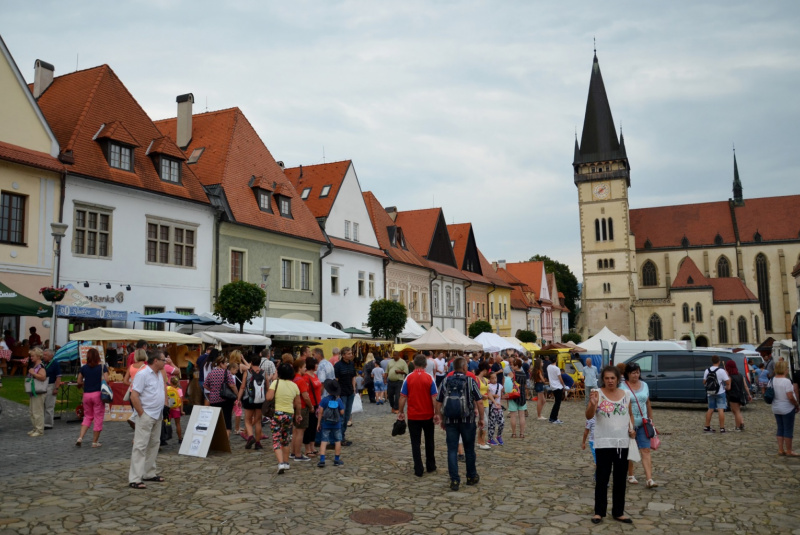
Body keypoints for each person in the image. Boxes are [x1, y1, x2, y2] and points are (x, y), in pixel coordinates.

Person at [587, 366, 635, 524]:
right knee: (602, 479)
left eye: (612, 378)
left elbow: (630, 414)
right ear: (603, 379)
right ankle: (599, 512)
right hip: (603, 442)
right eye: (607, 378)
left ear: (618, 378)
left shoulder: (626, 394)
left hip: (622, 442)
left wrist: (632, 429)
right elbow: (588, 416)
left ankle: (618, 512)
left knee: (620, 479)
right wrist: (593, 404)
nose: (609, 381)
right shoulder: (597, 393)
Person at [435, 356, 483, 491]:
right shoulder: (470, 381)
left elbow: (439, 401)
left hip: (450, 421)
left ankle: (455, 480)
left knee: (452, 450)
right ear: (465, 368)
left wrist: (438, 416)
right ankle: (471, 477)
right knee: (469, 449)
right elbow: (479, 401)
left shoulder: (445, 381)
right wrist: (481, 418)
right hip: (467, 420)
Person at [128, 350, 167, 489]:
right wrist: (142, 413)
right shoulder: (143, 374)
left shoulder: (159, 374)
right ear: (155, 360)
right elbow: (134, 396)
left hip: (157, 414)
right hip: (147, 414)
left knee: (154, 444)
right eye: (163, 360)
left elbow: (161, 391)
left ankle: (149, 472)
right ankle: (135, 478)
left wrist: (164, 406)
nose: (165, 362)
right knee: (140, 446)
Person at [397, 354, 439, 477]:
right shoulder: (430, 378)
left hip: (413, 415)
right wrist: (436, 413)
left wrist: (400, 412)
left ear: (414, 364)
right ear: (426, 365)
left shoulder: (408, 378)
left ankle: (418, 468)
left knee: (415, 442)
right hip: (428, 415)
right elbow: (434, 397)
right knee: (429, 441)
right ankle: (430, 465)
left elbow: (402, 397)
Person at [621, 362, 657, 488]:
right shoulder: (622, 386)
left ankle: (649, 479)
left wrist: (651, 420)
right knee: (630, 449)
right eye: (633, 372)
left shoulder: (645, 385)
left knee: (646, 450)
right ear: (627, 374)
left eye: (637, 372)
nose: (636, 375)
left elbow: (648, 403)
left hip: (643, 423)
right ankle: (630, 474)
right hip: (628, 424)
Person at [267, 362, 301, 474]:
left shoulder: (275, 383)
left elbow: (269, 397)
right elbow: (298, 403)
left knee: (276, 439)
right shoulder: (294, 385)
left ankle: (280, 463)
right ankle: (286, 462)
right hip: (289, 414)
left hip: (277, 413)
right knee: (285, 439)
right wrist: (298, 415)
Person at [76, 348, 109, 447]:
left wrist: (85, 383)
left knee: (87, 417)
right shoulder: (102, 367)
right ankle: (95, 442)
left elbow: (78, 381)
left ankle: (80, 437)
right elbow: (106, 380)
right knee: (98, 418)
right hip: (98, 394)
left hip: (86, 395)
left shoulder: (84, 368)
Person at [204, 355, 238, 437]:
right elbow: (232, 385)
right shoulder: (226, 373)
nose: (227, 364)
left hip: (213, 399)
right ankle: (226, 439)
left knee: (216, 421)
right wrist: (236, 395)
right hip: (225, 399)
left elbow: (205, 385)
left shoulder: (211, 373)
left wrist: (212, 390)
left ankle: (216, 439)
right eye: (225, 363)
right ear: (221, 364)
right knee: (227, 420)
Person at [772, 360, 800, 456]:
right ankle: (789, 450)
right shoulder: (786, 381)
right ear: (784, 369)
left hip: (776, 407)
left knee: (780, 428)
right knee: (788, 429)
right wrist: (796, 405)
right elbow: (790, 396)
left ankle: (780, 449)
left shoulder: (773, 380)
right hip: (787, 407)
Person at [239, 352, 265, 450]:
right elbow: (267, 385)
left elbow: (242, 387)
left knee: (248, 420)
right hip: (260, 400)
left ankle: (250, 436)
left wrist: (238, 399)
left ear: (251, 362)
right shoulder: (263, 372)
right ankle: (258, 443)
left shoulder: (247, 372)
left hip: (248, 399)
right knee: (258, 421)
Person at [316, 379, 344, 468]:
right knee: (337, 440)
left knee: (324, 441)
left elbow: (320, 412)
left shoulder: (324, 400)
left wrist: (319, 423)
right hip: (336, 424)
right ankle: (336, 459)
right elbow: (342, 412)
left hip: (326, 423)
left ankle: (322, 460)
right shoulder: (338, 400)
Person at [290, 358, 313, 462]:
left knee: (295, 431)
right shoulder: (301, 380)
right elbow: (306, 396)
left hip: (294, 407)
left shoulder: (293, 378)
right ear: (299, 368)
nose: (306, 369)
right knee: (300, 432)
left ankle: (293, 452)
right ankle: (298, 454)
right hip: (302, 407)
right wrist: (311, 406)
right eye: (304, 367)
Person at [334, 347, 357, 446]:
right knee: (341, 416)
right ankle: (339, 438)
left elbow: (353, 377)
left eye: (351, 353)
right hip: (342, 392)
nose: (350, 355)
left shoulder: (351, 364)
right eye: (348, 353)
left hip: (350, 392)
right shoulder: (338, 366)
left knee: (347, 415)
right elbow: (336, 380)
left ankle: (342, 435)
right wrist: (337, 393)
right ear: (343, 355)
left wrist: (354, 388)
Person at [703, 355, 731, 433]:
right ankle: (722, 428)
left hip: (710, 392)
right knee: (720, 410)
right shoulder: (721, 371)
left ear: (712, 361)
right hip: (720, 392)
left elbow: (704, 382)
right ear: (719, 362)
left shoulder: (707, 370)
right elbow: (728, 382)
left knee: (710, 409)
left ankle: (707, 426)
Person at [303, 357, 322, 457]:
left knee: (314, 426)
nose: (317, 366)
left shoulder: (314, 375)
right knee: (309, 427)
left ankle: (312, 447)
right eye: (316, 364)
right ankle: (307, 449)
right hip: (310, 404)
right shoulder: (306, 377)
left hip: (317, 403)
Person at [725, 360, 752, 432]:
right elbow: (745, 386)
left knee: (736, 411)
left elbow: (729, 387)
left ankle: (737, 427)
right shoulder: (740, 375)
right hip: (740, 395)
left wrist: (724, 387)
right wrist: (749, 394)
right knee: (737, 411)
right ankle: (741, 423)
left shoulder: (730, 377)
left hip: (733, 395)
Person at [26, 347, 47, 437]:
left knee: (37, 411)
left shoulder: (40, 366)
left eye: (32, 356)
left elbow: (43, 377)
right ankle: (35, 428)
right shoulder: (35, 366)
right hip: (34, 391)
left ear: (38, 356)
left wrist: (33, 373)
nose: (31, 357)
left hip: (39, 392)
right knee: (32, 411)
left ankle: (39, 429)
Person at [508, 358, 528, 438]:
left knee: (513, 416)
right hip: (522, 396)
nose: (512, 366)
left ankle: (513, 433)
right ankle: (522, 434)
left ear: (516, 366)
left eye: (513, 365)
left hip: (513, 395)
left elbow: (508, 384)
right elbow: (525, 385)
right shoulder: (524, 374)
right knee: (522, 416)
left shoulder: (512, 374)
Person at [42, 348, 61, 429]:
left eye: (45, 355)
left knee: (49, 405)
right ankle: (42, 422)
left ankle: (48, 424)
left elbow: (58, 377)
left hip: (51, 385)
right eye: (43, 354)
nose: (44, 356)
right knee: (42, 405)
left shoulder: (55, 363)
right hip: (43, 385)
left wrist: (56, 388)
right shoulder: (43, 363)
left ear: (51, 355)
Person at [476, 361, 491, 450]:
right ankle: (482, 441)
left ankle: (479, 440)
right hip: (479, 403)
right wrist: (482, 396)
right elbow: (475, 391)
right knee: (484, 422)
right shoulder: (476, 379)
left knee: (482, 423)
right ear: (485, 370)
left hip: (486, 403)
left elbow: (488, 391)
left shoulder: (485, 380)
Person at [486, 372, 504, 446]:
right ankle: (490, 438)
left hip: (498, 407)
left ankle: (499, 436)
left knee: (502, 423)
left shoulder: (499, 386)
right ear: (490, 379)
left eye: (495, 378)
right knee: (492, 424)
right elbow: (487, 395)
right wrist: (493, 395)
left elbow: (501, 394)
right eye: (492, 378)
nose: (494, 379)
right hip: (492, 407)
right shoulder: (489, 386)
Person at [166, 376, 184, 443]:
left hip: (168, 409)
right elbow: (181, 401)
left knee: (167, 423)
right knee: (178, 424)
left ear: (170, 382)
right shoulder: (179, 390)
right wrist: (181, 411)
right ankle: (180, 438)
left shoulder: (167, 389)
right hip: (176, 409)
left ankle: (165, 437)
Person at [548, 359, 566, 424]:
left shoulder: (548, 367)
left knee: (556, 403)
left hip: (553, 386)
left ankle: (553, 417)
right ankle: (553, 418)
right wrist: (563, 385)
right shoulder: (557, 369)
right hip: (558, 386)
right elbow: (560, 378)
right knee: (557, 403)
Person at [582, 415, 597, 481]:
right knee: (598, 460)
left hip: (603, 442)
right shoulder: (590, 418)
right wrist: (583, 442)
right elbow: (586, 431)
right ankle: (598, 476)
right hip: (593, 442)